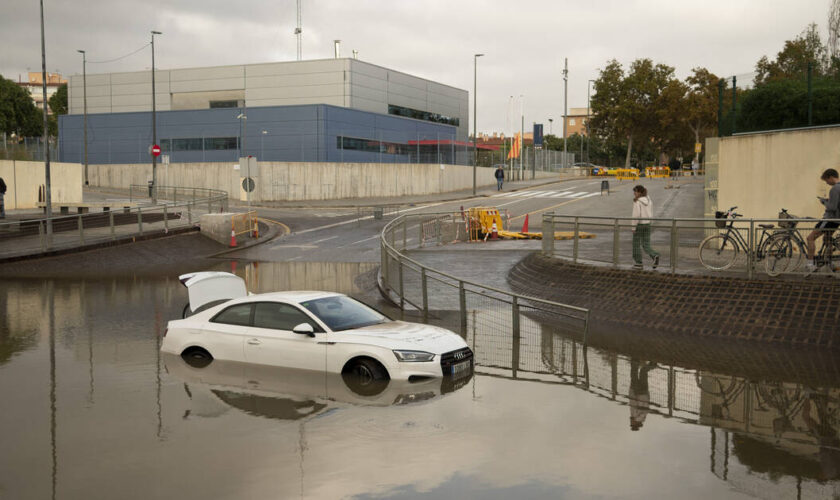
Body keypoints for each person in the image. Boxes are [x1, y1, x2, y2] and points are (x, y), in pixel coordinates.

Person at [806, 168, 840, 271]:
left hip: (829, 219)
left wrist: (824, 202)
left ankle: (810, 264)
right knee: (827, 240)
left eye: (826, 180)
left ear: (830, 177)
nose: (827, 183)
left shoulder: (834, 189)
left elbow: (832, 207)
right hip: (837, 220)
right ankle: (829, 263)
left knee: (810, 238)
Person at [631, 185, 659, 270]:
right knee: (646, 244)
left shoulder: (637, 202)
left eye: (635, 191)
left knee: (636, 244)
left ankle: (638, 263)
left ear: (639, 192)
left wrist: (633, 227)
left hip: (639, 225)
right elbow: (651, 211)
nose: (634, 193)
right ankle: (654, 255)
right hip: (647, 224)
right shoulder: (649, 200)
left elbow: (636, 215)